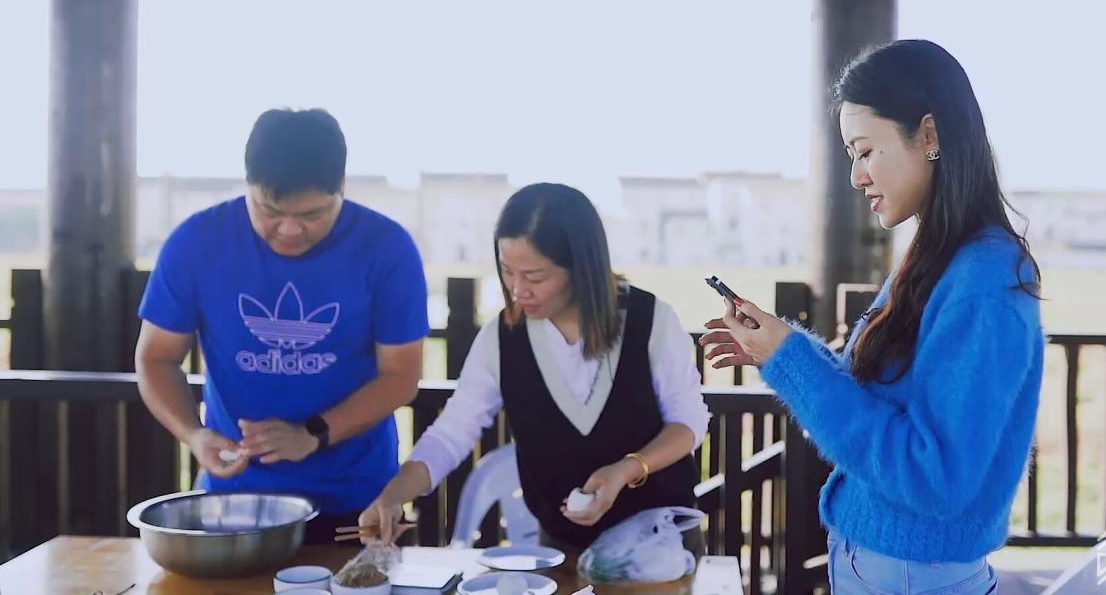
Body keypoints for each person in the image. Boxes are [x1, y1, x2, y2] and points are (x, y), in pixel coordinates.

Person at [700, 40, 1043, 594]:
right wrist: (781, 352)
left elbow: (935, 478)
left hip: (911, 577)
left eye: (864, 151)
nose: (856, 177)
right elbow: (879, 401)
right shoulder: (937, 257)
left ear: (929, 135)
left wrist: (789, 359)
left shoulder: (983, 280)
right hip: (894, 568)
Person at [360, 183, 709, 556]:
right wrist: (394, 495)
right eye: (507, 272)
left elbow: (689, 424)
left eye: (535, 277)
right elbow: (452, 433)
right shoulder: (502, 338)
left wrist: (626, 469)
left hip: (663, 548)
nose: (517, 290)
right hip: (560, 550)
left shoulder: (651, 322)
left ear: (581, 268)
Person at [136, 108, 429, 543]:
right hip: (234, 502)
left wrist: (313, 434)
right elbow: (156, 359)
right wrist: (195, 435)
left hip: (358, 504)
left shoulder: (386, 248)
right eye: (269, 210)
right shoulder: (197, 243)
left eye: (313, 214)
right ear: (248, 185)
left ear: (342, 187)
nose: (289, 230)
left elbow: (401, 376)